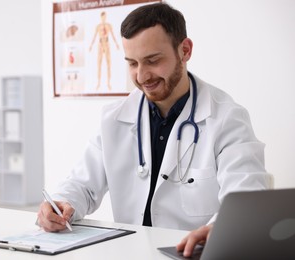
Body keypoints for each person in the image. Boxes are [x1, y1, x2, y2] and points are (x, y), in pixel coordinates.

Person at [37, 3, 270, 257]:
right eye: (132, 63)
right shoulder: (114, 118)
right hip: (131, 253)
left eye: (153, 60)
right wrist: (61, 205)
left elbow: (245, 196)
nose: (142, 75)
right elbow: (82, 185)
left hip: (191, 254)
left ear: (185, 50)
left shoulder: (226, 118)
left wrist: (220, 228)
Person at [89, 11, 120, 91]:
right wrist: (91, 45)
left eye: (105, 16)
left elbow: (112, 35)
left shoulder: (109, 25)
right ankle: (98, 83)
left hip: (107, 43)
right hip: (100, 44)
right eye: (103, 16)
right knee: (99, 64)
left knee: (108, 64)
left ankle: (108, 83)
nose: (104, 18)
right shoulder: (98, 26)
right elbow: (94, 36)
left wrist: (116, 43)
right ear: (101, 17)